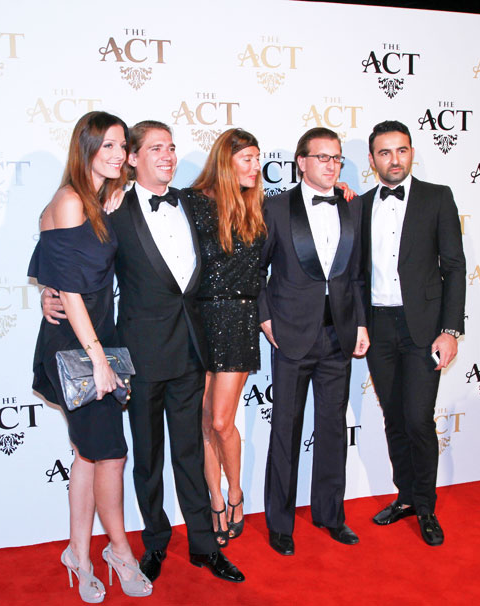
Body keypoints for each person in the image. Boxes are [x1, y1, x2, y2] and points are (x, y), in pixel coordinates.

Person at [43, 120, 244, 584]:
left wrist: (342, 193)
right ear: (133, 159)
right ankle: (154, 543)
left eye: (171, 148)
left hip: (190, 347)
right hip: (140, 351)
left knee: (191, 451)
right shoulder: (109, 207)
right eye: (156, 148)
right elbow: (55, 232)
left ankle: (204, 544)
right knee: (148, 458)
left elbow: (246, 197)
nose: (168, 156)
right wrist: (48, 292)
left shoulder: (193, 202)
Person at [28, 111, 152, 602]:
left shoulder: (95, 200)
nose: (119, 155)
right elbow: (71, 290)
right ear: (86, 148)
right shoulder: (70, 201)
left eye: (123, 146)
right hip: (76, 349)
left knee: (87, 455)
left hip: (97, 338)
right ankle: (120, 551)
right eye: (109, 146)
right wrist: (98, 358)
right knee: (112, 455)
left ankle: (78, 554)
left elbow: (54, 260)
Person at [259, 127, 369, 556]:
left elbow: (356, 274)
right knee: (285, 430)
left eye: (336, 158)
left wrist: (360, 325)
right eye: (322, 157)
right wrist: (266, 319)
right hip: (290, 335)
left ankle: (330, 514)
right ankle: (280, 523)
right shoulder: (274, 207)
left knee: (332, 429)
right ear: (301, 162)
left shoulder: (351, 206)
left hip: (338, 334)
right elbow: (256, 271)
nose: (331, 165)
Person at [361, 120, 466, 546]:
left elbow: (454, 267)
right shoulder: (359, 205)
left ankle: (426, 507)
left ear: (412, 152)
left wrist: (450, 329)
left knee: (419, 419)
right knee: (394, 418)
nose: (394, 159)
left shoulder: (437, 197)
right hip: (378, 327)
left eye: (401, 150)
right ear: (372, 160)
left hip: (423, 328)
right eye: (385, 152)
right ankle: (405, 496)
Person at [181, 128, 266, 547]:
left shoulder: (259, 206)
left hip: (237, 320)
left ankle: (235, 492)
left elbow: (308, 200)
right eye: (247, 159)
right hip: (197, 320)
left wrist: (342, 191)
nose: (256, 167)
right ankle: (214, 497)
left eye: (257, 158)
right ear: (225, 162)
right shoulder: (191, 202)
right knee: (203, 421)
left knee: (220, 420)